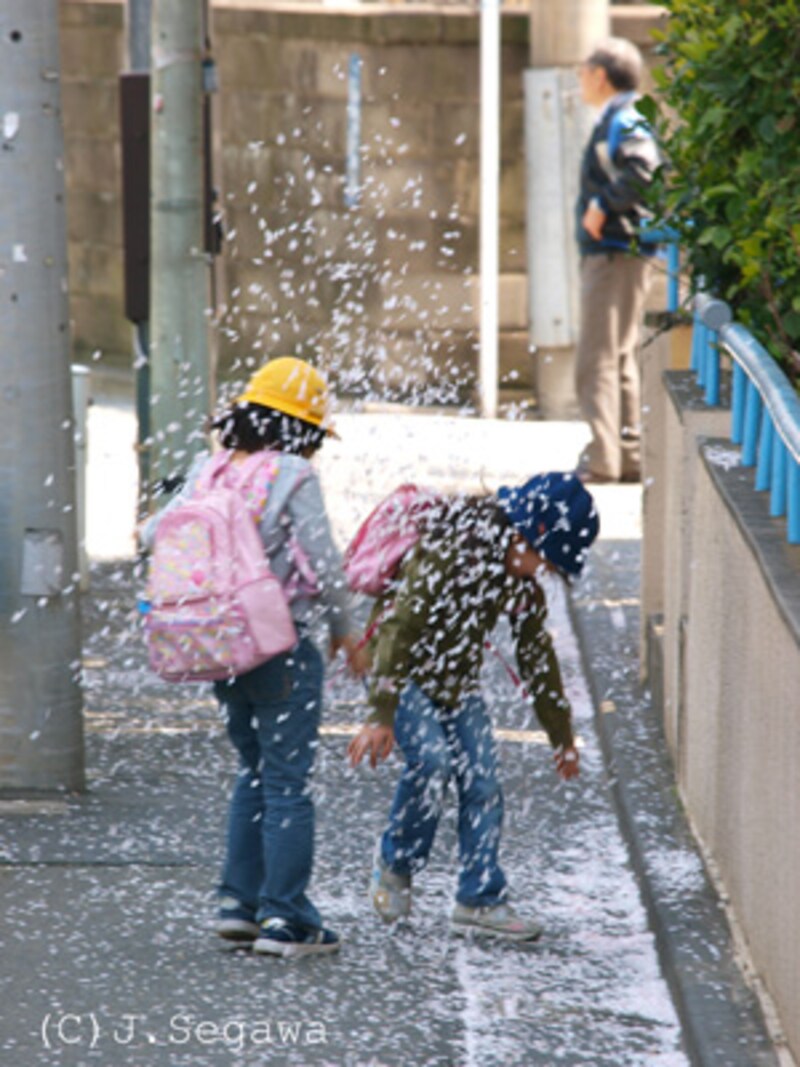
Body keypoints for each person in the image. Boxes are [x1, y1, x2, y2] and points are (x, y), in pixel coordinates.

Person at [141, 356, 368, 958]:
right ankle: (286, 917)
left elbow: (151, 536)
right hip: (278, 643)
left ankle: (237, 904)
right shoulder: (292, 474)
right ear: (304, 429)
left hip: (216, 646)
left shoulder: (208, 467)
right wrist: (348, 629)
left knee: (254, 771)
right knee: (288, 782)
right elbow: (323, 561)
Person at [347, 472, 599, 941]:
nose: (542, 569)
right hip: (402, 677)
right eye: (544, 558)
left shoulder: (518, 581)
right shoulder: (449, 551)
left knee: (482, 779)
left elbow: (536, 658)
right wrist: (380, 714)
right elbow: (399, 628)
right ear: (526, 533)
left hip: (456, 683)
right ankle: (395, 864)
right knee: (432, 763)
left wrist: (561, 736)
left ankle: (480, 897)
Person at [575, 37, 661, 484]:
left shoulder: (624, 117)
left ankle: (603, 458)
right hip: (624, 253)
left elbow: (642, 169)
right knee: (620, 356)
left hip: (613, 253)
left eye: (582, 70)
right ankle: (628, 456)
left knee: (596, 360)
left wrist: (602, 205)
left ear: (601, 74)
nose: (579, 79)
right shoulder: (626, 115)